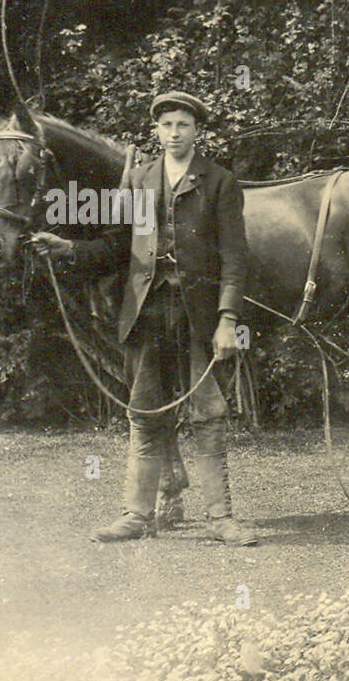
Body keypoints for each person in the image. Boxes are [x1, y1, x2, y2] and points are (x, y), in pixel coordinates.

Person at [33, 91, 255, 545]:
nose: (174, 133)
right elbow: (117, 246)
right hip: (146, 313)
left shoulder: (219, 183)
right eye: (166, 125)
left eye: (183, 125)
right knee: (143, 413)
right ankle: (138, 515)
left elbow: (235, 258)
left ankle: (221, 519)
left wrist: (228, 319)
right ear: (156, 131)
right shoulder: (137, 180)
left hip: (197, 314)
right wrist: (69, 249)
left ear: (197, 131)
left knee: (208, 413)